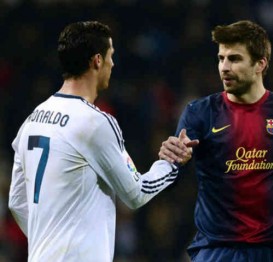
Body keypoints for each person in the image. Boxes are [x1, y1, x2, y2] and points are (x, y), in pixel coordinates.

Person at [8, 21, 197, 262]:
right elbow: (136, 192)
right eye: (111, 56)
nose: (113, 64)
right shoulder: (94, 122)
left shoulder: (32, 120)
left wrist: (49, 244)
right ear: (98, 60)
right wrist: (172, 163)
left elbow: (16, 201)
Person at [159, 20, 273, 262]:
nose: (224, 67)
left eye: (234, 59)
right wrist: (173, 159)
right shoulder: (200, 112)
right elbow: (172, 176)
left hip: (272, 251)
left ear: (260, 64)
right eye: (221, 58)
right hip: (214, 250)